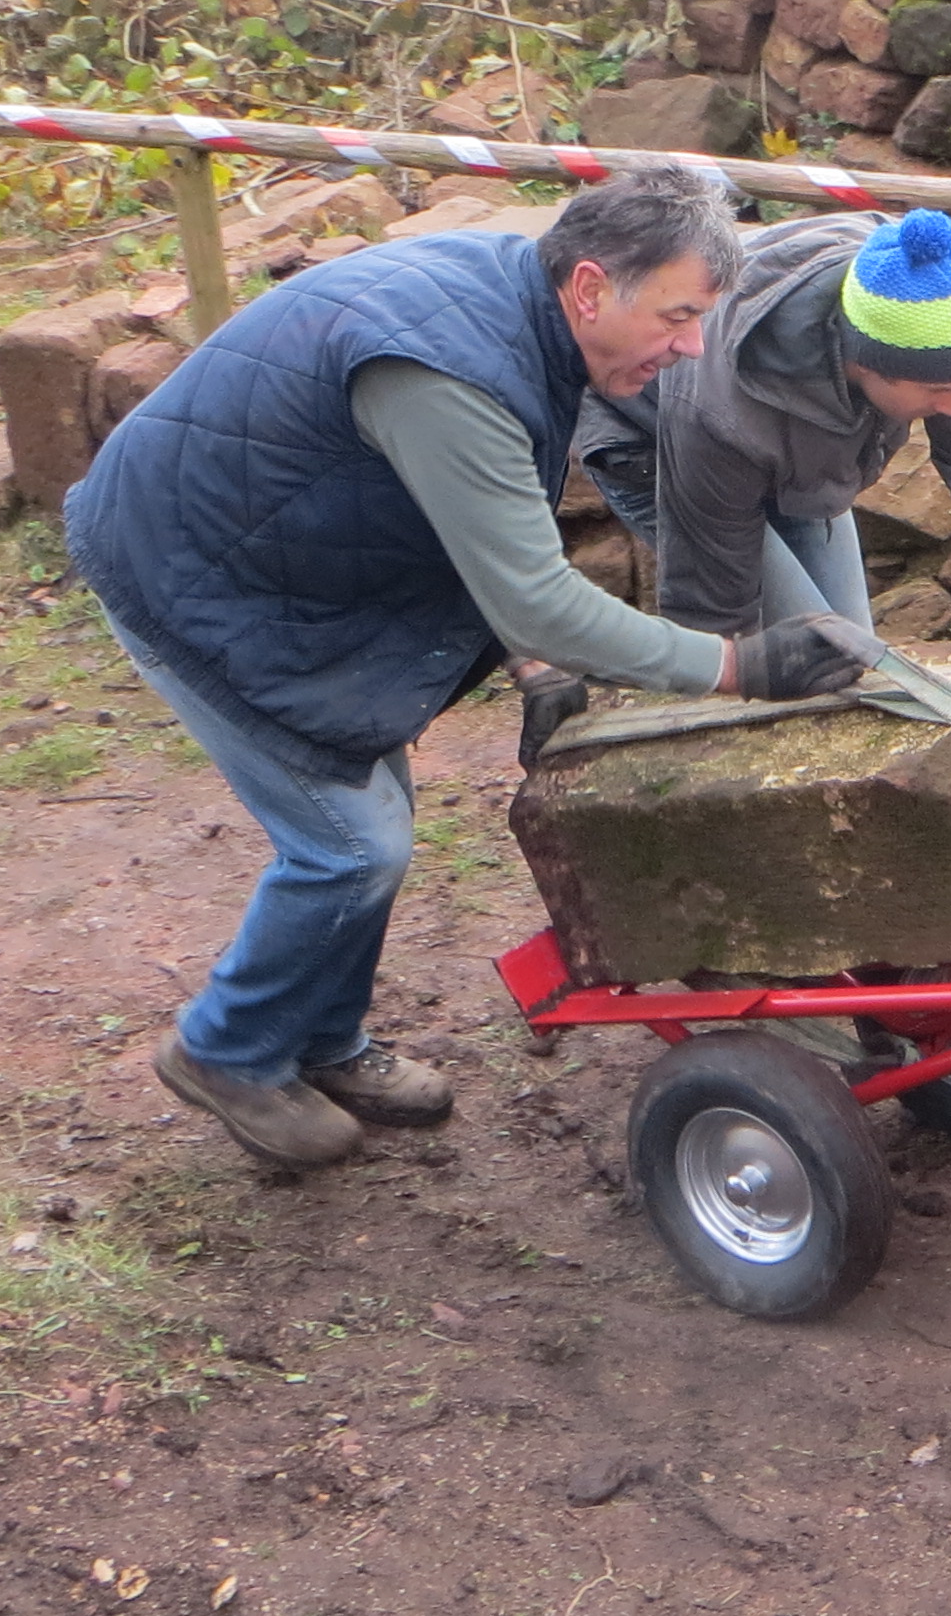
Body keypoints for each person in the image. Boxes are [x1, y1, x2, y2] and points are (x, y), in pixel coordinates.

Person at [67, 173, 859, 1173]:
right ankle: (225, 1049)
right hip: (187, 568)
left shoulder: (522, 311)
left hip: (284, 554)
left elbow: (479, 522)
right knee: (351, 848)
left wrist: (535, 669)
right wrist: (738, 665)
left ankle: (322, 1041)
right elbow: (537, 596)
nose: (693, 347)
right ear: (590, 288)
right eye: (678, 317)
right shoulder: (454, 373)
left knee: (370, 810)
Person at [574, 205, 951, 686]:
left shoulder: (933, 305)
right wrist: (736, 675)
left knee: (852, 658)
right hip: (657, 447)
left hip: (800, 449)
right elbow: (715, 605)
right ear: (866, 364)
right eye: (938, 391)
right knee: (809, 664)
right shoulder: (719, 409)